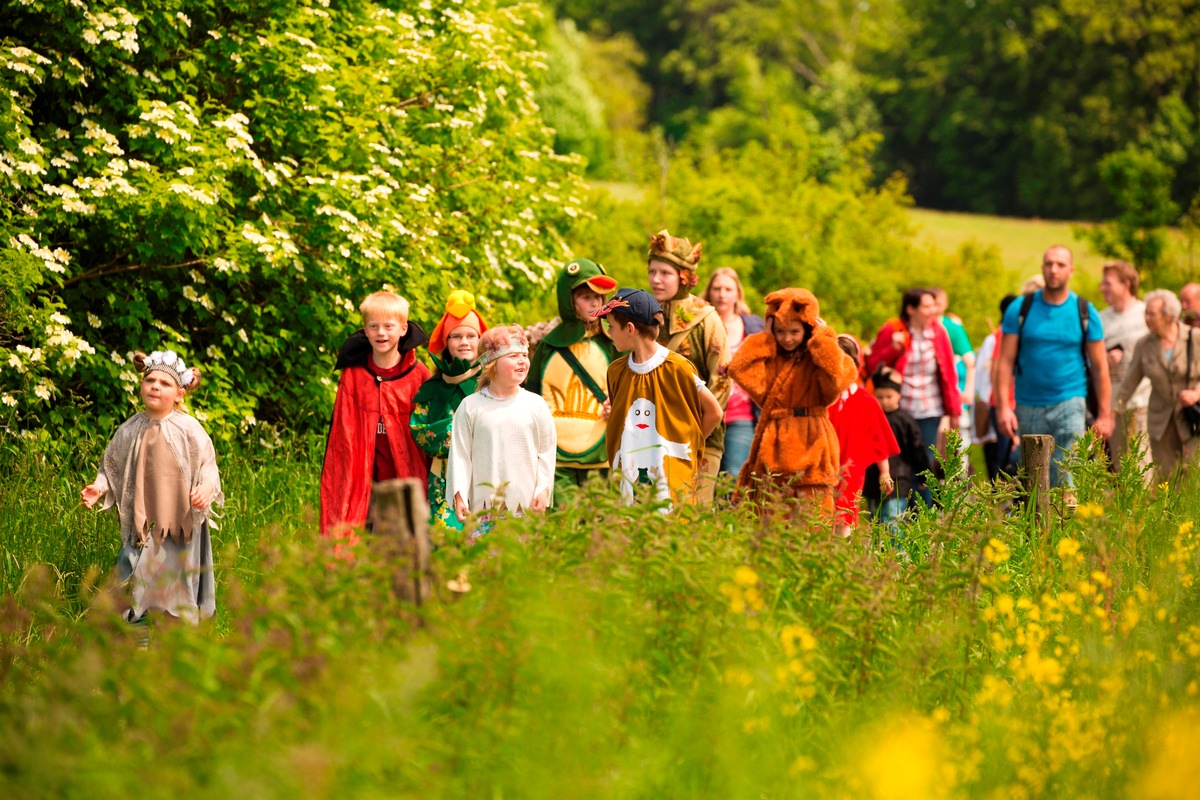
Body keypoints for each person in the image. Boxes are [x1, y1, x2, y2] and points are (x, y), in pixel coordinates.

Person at [81, 350, 222, 625]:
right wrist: (99, 488)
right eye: (150, 380)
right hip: (143, 524)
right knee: (133, 582)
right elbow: (111, 466)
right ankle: (137, 641)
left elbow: (208, 465)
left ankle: (172, 645)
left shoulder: (189, 429)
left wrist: (206, 486)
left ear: (180, 393)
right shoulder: (130, 429)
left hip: (182, 524)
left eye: (165, 383)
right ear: (141, 385)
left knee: (177, 588)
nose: (155, 386)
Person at [728, 288, 858, 517]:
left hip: (813, 443)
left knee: (813, 518)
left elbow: (840, 375)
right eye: (780, 331)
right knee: (771, 519)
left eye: (794, 331)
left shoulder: (817, 357)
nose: (787, 338)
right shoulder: (771, 358)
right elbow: (739, 368)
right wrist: (764, 339)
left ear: (808, 328)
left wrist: (823, 339)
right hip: (775, 445)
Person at [995, 245, 1113, 491]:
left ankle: (1064, 524)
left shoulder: (1084, 311)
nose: (1053, 270)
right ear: (1042, 268)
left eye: (1060, 265)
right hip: (1028, 403)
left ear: (1071, 270)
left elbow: (1101, 367)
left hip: (1070, 400)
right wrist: (1004, 408)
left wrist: (1104, 415)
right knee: (1033, 471)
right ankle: (1036, 527)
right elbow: (1004, 361)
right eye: (1049, 264)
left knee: (1065, 466)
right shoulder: (1020, 309)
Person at [592, 288, 722, 508]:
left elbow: (714, 412)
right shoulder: (616, 371)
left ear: (630, 329)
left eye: (611, 327)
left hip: (670, 479)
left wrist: (690, 444)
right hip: (629, 477)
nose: (609, 332)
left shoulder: (677, 368)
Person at [320, 291, 431, 535]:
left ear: (403, 329)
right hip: (363, 480)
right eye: (374, 326)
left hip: (405, 480)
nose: (381, 333)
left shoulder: (418, 374)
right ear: (365, 330)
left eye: (388, 326)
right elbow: (342, 438)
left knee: (404, 545)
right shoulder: (353, 376)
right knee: (360, 543)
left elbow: (428, 433)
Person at [647, 230, 732, 502]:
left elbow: (723, 379)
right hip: (650, 436)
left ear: (684, 277)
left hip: (701, 438)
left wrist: (695, 428)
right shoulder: (644, 314)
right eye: (652, 271)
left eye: (665, 273)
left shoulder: (707, 319)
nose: (656, 279)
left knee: (692, 516)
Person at [525, 258, 619, 494]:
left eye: (599, 297)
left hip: (602, 457)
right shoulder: (547, 347)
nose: (594, 303)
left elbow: (630, 395)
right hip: (556, 460)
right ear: (569, 301)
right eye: (586, 297)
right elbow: (531, 398)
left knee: (602, 527)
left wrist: (618, 406)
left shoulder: (614, 345)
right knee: (562, 525)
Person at [447, 325, 556, 523]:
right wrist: (460, 493)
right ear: (492, 364)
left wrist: (543, 489)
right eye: (513, 356)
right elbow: (461, 455)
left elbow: (546, 452)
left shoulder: (536, 405)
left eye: (524, 354)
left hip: (526, 508)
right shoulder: (471, 407)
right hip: (483, 510)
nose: (522, 360)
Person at [865, 287, 961, 506]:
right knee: (897, 462)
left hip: (930, 408)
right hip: (898, 408)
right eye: (927, 306)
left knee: (924, 462)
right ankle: (895, 514)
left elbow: (948, 372)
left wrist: (954, 409)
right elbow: (873, 366)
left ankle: (924, 515)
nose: (933, 310)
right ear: (911, 309)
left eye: (933, 305)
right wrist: (893, 348)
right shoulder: (893, 330)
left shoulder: (938, 332)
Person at [411, 290, 488, 530]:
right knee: (448, 544)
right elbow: (421, 432)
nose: (464, 342)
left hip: (488, 473)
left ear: (480, 340)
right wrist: (465, 432)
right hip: (444, 477)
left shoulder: (493, 383)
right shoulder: (432, 388)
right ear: (446, 342)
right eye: (456, 336)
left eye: (470, 336)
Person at [1115, 290, 1200, 483]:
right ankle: (1171, 514)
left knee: (1195, 473)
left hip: (1193, 418)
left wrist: (1197, 393)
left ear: (1169, 315)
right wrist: (1112, 412)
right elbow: (1129, 383)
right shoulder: (1144, 344)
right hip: (1161, 420)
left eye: (1151, 313)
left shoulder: (1195, 337)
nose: (1146, 318)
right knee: (1166, 477)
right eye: (1146, 313)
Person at [827, 334, 899, 536]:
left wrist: (884, 472)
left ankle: (841, 554)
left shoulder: (864, 399)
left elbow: (879, 437)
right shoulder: (823, 396)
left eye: (847, 360)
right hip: (824, 464)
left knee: (844, 515)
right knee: (820, 511)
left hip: (852, 467)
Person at [703, 267, 765, 480]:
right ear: (709, 292)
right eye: (717, 288)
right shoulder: (700, 324)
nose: (722, 294)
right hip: (705, 414)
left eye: (728, 289)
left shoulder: (754, 327)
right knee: (704, 480)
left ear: (737, 293)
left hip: (740, 416)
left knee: (733, 479)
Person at [1099, 260, 1151, 471]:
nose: (1102, 288)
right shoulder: (1101, 318)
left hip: (1145, 402)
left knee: (1144, 466)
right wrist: (1105, 358)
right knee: (1121, 470)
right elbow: (1091, 361)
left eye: (1108, 283)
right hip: (1114, 406)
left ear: (1126, 284)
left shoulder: (1147, 313)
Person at [864, 366, 930, 530]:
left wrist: (924, 476)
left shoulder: (905, 420)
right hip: (873, 478)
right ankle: (880, 553)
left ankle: (896, 553)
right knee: (876, 520)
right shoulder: (870, 418)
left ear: (899, 396)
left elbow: (917, 449)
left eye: (889, 396)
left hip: (899, 479)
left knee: (894, 519)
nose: (884, 400)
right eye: (880, 396)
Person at [975, 294, 1020, 480]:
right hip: (1004, 404)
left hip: (1010, 403)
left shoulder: (1002, 335)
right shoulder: (998, 337)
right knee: (1005, 459)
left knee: (1009, 456)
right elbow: (985, 375)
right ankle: (1004, 504)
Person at [931, 287, 975, 469]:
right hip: (932, 394)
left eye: (939, 303)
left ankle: (959, 479)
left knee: (957, 437)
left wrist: (968, 390)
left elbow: (970, 360)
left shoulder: (952, 328)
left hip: (955, 391)